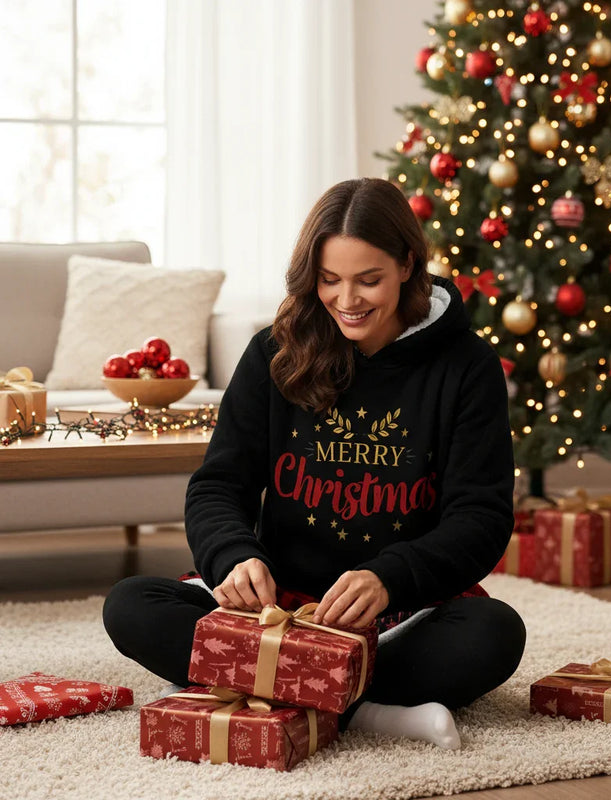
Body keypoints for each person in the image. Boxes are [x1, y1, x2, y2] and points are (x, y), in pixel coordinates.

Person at [103, 177, 526, 750]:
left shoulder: (467, 366)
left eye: (368, 280)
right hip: (277, 610)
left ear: (408, 265)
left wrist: (390, 575)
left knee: (493, 635)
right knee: (130, 605)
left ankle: (260, 689)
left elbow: (481, 516)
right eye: (330, 280)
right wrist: (234, 557)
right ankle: (366, 712)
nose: (347, 301)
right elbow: (218, 486)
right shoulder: (274, 353)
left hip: (396, 615)